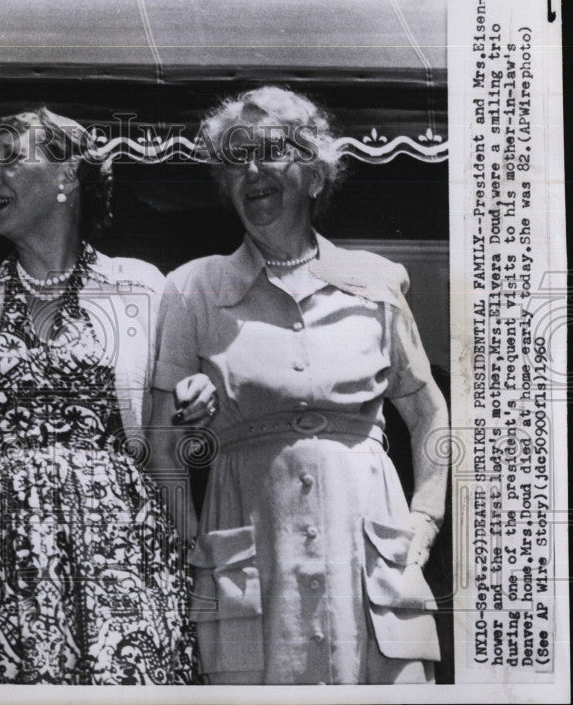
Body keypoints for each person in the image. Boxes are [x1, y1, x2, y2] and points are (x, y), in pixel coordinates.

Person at [0, 108, 213, 684]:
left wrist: (196, 397)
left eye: (10, 158)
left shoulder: (141, 286)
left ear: (68, 176)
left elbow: (169, 432)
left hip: (121, 555)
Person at [150, 86, 448, 684]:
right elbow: (161, 444)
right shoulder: (193, 289)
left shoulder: (377, 282)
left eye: (271, 152)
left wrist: (425, 517)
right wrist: (194, 548)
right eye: (236, 159)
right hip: (252, 569)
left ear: (314, 176)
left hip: (370, 560)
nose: (252, 170)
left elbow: (428, 413)